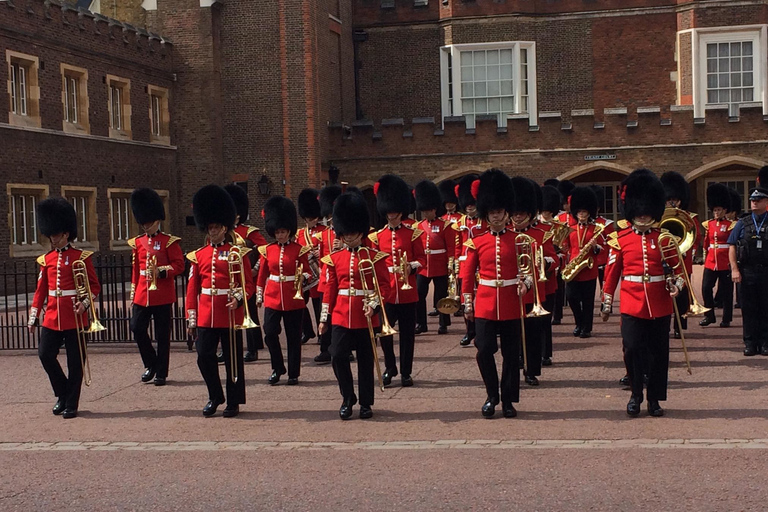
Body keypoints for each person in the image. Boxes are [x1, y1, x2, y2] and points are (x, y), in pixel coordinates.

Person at [602, 169, 684, 417]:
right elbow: (612, 272)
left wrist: (676, 286)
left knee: (659, 353)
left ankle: (654, 398)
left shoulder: (665, 239)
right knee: (632, 348)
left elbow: (679, 272)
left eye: (648, 210)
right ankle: (636, 393)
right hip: (631, 302)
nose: (644, 215)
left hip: (659, 303)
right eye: (640, 210)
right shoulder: (621, 239)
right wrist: (607, 300)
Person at [462, 169, 532, 419]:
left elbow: (529, 270)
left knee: (512, 355)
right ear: (486, 213)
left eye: (500, 212)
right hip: (486, 303)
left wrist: (526, 284)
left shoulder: (520, 240)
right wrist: (467, 304)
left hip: (512, 302)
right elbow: (468, 276)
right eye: (492, 212)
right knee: (484, 349)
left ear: (506, 213)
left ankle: (508, 398)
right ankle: (492, 394)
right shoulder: (477, 242)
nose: (497, 216)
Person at [318, 192, 392, 420]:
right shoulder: (334, 258)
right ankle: (347, 397)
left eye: (353, 234)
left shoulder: (375, 257)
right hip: (341, 313)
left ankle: (366, 403)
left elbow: (384, 286)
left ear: (361, 233)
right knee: (338, 355)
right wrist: (323, 317)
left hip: (366, 316)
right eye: (346, 235)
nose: (349, 239)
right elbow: (330, 289)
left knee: (365, 361)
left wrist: (374, 306)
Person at [28, 197, 101, 419]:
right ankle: (62, 393)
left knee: (75, 362)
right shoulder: (46, 259)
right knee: (45, 355)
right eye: (51, 234)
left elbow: (94, 286)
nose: (52, 238)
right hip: (52, 316)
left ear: (66, 233)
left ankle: (71, 403)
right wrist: (33, 315)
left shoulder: (80, 257)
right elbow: (41, 290)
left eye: (56, 234)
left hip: (75, 316)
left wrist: (85, 304)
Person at [186, 185, 254, 418]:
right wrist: (191, 318)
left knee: (233, 359)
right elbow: (192, 288)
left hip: (229, 313)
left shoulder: (237, 253)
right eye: (210, 227)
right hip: (206, 313)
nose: (212, 231)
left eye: (216, 227)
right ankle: (215, 395)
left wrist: (238, 298)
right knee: (204, 356)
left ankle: (233, 401)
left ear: (225, 228)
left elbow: (248, 284)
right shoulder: (198, 256)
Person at [369, 174, 425, 387]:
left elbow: (422, 260)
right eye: (389, 212)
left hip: (408, 291)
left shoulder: (413, 234)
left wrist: (411, 266)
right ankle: (390, 367)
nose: (392, 215)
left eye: (395, 212)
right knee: (384, 332)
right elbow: (374, 263)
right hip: (388, 291)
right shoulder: (377, 237)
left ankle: (406, 372)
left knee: (407, 336)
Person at [128, 188, 185, 386]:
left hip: (162, 294)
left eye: (148, 222)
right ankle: (151, 363)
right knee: (136, 328)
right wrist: (133, 291)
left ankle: (161, 372)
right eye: (143, 223)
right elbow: (136, 269)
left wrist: (163, 271)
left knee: (162, 335)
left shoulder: (169, 242)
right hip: (143, 293)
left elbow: (179, 265)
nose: (145, 226)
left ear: (157, 220)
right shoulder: (137, 242)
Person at [256, 196, 313, 385]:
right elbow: (262, 274)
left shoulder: (299, 250)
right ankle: (277, 367)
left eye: (283, 231)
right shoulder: (267, 250)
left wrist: (302, 277)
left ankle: (293, 373)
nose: (280, 235)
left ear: (289, 231)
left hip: (293, 297)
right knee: (270, 332)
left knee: (293, 338)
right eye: (277, 232)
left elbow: (308, 272)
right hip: (272, 296)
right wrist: (259, 294)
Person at [509, 177, 558, 385]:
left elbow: (554, 259)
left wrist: (544, 261)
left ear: (529, 213)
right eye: (515, 212)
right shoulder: (505, 235)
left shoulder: (542, 234)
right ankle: (518, 360)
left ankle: (531, 370)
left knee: (532, 333)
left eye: (522, 213)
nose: (518, 216)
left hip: (535, 289)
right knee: (513, 333)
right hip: (511, 290)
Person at [224, 184, 267, 362]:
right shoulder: (223, 232)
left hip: (246, 276)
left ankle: (252, 348)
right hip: (229, 279)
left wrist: (255, 269)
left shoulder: (249, 232)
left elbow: (265, 251)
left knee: (249, 313)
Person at [728, 170, 768, 356]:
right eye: (752, 200)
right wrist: (735, 269)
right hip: (748, 271)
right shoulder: (742, 223)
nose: (754, 202)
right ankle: (750, 343)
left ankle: (765, 342)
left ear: (766, 202)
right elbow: (732, 246)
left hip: (766, 271)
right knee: (749, 309)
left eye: (758, 200)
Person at [661, 171, 702, 339]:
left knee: (681, 295)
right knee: (664, 295)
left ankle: (679, 325)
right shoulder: (660, 216)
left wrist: (687, 249)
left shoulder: (689, 217)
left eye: (675, 199)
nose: (672, 202)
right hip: (664, 259)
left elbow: (696, 236)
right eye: (669, 199)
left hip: (682, 260)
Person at [414, 180, 456, 335]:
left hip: (440, 265)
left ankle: (443, 323)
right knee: (419, 294)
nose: (426, 213)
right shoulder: (418, 227)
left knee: (441, 295)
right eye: (424, 211)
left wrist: (451, 263)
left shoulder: (445, 225)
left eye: (428, 210)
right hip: (424, 266)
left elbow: (451, 246)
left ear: (434, 209)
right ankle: (421, 323)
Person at [562, 186, 604, 338]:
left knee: (588, 301)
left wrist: (595, 247)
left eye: (585, 212)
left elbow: (603, 247)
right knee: (571, 297)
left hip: (588, 268)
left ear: (589, 213)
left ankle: (586, 328)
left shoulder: (595, 228)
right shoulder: (570, 228)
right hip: (574, 266)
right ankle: (579, 322)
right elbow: (565, 246)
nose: (582, 215)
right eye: (579, 212)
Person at [455, 174, 488, 347]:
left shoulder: (484, 220)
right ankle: (470, 330)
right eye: (467, 205)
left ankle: (483, 328)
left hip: (481, 263)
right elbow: (457, 245)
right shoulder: (460, 221)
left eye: (472, 204)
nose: (470, 208)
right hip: (465, 263)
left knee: (481, 297)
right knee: (465, 298)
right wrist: (455, 264)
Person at [313, 185, 344, 363]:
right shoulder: (324, 235)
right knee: (324, 313)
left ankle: (342, 346)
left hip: (341, 278)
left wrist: (344, 247)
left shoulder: (345, 234)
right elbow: (321, 259)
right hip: (326, 278)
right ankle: (325, 348)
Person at [699, 183, 735, 328]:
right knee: (706, 288)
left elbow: (732, 244)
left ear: (724, 210)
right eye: (714, 210)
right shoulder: (709, 224)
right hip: (711, 262)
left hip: (725, 262)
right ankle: (709, 315)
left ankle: (726, 318)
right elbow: (706, 243)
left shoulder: (731, 225)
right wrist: (704, 257)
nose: (716, 212)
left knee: (727, 293)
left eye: (719, 210)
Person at [539, 184, 567, 365]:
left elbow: (564, 249)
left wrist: (557, 257)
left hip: (549, 277)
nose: (547, 213)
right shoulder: (535, 227)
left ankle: (545, 353)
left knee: (545, 320)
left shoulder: (558, 227)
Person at [296, 188, 327, 346]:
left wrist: (318, 253)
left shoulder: (324, 231)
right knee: (299, 302)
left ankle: (322, 333)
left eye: (314, 217)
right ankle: (307, 330)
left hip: (318, 272)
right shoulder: (300, 233)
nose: (312, 220)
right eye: (309, 217)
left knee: (318, 305)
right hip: (305, 272)